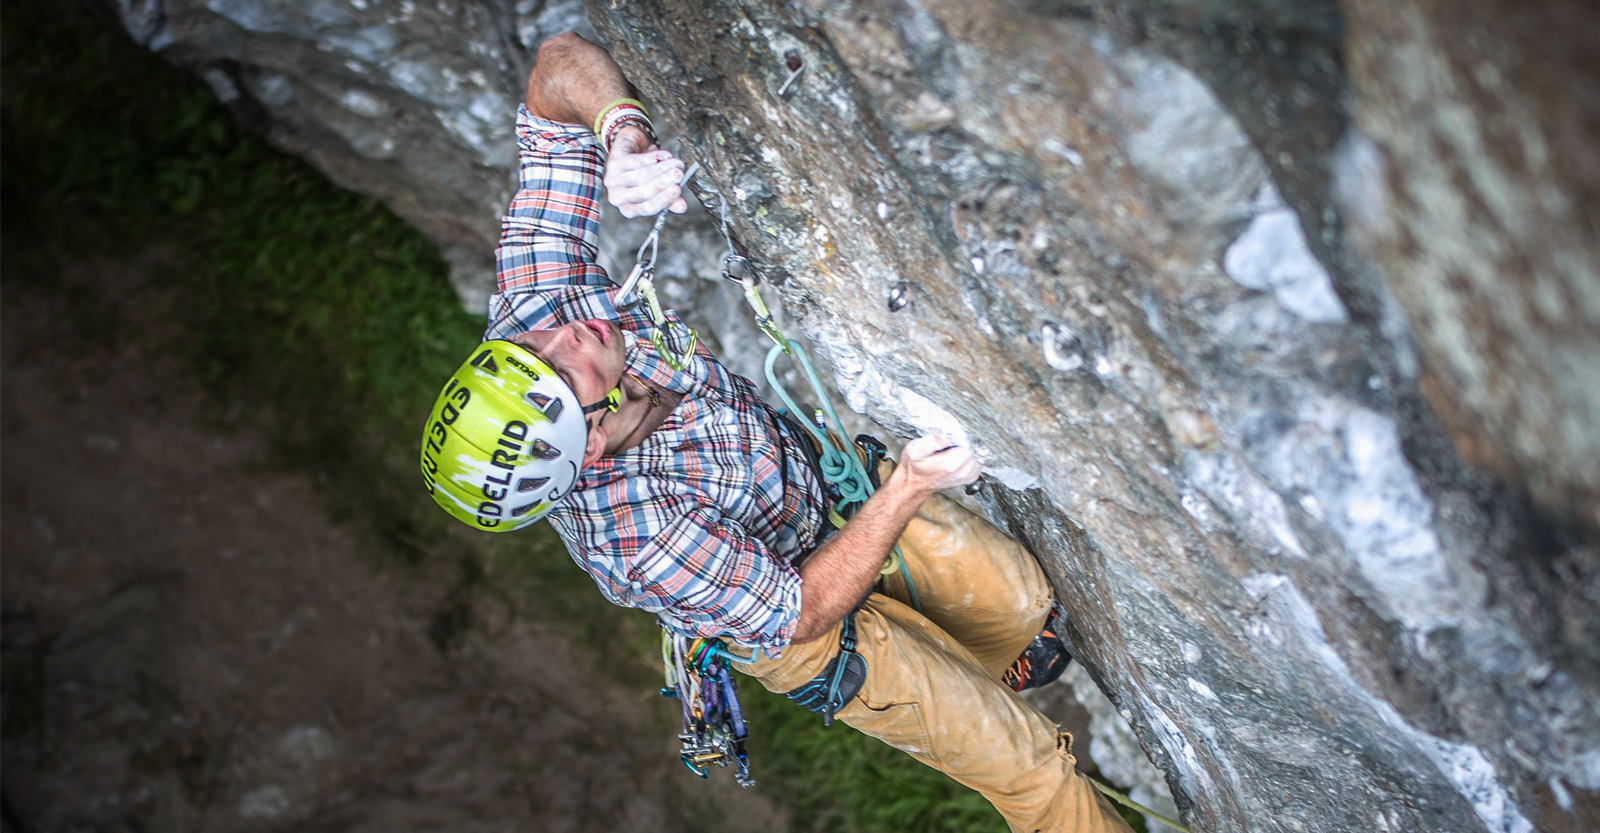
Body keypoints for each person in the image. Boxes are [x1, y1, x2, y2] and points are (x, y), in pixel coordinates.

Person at [420, 30, 1133, 833]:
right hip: (800, 623)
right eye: (558, 371)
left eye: (527, 348)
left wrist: (620, 132)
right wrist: (908, 485)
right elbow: (801, 609)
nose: (565, 334)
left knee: (1022, 601)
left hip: (809, 492)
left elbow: (555, 68)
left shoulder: (536, 314)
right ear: (586, 448)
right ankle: (971, 713)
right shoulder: (632, 534)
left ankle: (990, 663)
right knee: (1031, 765)